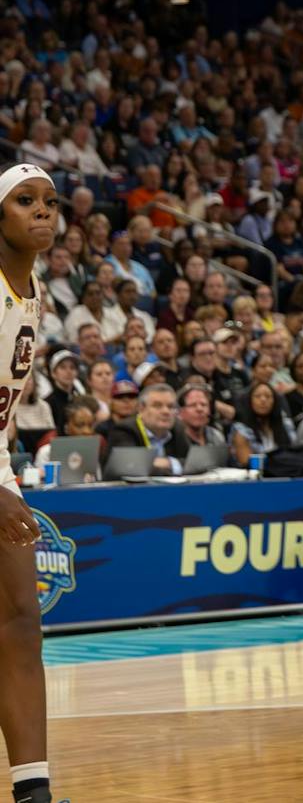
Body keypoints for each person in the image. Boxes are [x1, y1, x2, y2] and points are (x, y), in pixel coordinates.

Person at [0, 164, 64, 803]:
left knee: (22, 618)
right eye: (24, 201)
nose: (41, 211)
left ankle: (32, 791)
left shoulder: (32, 289)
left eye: (49, 201)